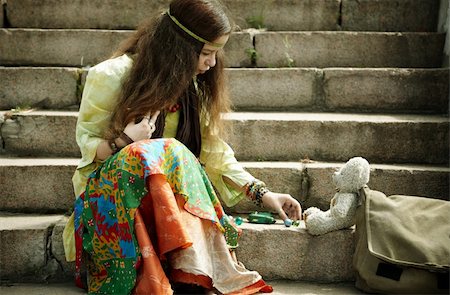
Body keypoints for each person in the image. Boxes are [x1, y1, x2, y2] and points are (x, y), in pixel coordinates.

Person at [62, 0, 302, 294]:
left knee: (171, 151)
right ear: (179, 49)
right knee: (154, 151)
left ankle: (187, 270)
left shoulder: (193, 87)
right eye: (206, 54)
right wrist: (125, 141)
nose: (212, 64)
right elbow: (87, 151)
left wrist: (263, 194)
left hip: (162, 204)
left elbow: (215, 153)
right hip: (110, 207)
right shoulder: (110, 76)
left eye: (216, 54)